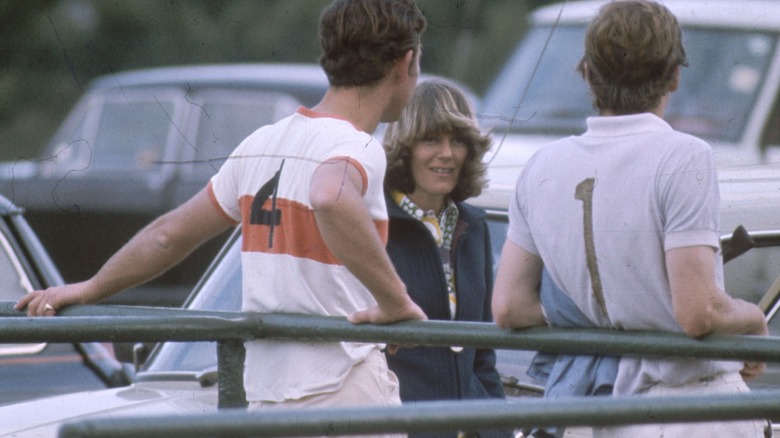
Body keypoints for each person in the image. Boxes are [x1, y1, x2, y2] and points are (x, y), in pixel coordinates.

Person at [16, 0, 427, 424]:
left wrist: (91, 287)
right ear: (405, 63)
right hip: (346, 387)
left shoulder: (262, 142)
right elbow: (329, 195)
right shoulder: (359, 146)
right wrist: (395, 301)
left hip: (267, 394)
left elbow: (168, 235)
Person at [491, 1, 768, 437]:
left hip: (591, 414)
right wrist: (753, 319)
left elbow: (509, 306)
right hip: (690, 410)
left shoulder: (541, 165)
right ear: (675, 75)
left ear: (587, 73)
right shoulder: (685, 155)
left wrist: (602, 312)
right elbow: (698, 311)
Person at [382, 79, 509, 438]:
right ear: (405, 147)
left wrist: (499, 430)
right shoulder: (373, 224)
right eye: (431, 139)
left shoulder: (475, 227)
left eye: (458, 140)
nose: (447, 153)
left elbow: (483, 354)